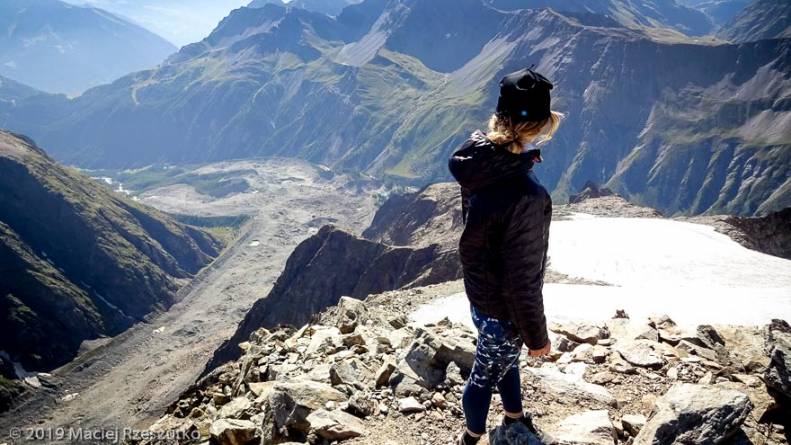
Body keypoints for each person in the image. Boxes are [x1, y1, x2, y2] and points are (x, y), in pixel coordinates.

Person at [448, 67, 562, 444]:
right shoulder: (527, 197)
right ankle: (470, 438)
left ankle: (514, 416)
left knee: (502, 360)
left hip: (482, 295)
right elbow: (523, 278)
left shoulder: (481, 163)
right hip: (504, 307)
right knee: (484, 374)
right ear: (543, 126)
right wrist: (537, 337)